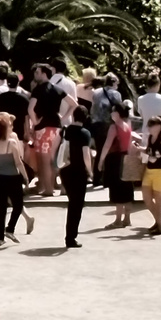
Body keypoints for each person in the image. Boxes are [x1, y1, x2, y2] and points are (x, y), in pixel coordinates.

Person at [0, 112, 33, 244]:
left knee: (1, 208)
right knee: (18, 205)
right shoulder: (11, 143)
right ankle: (10, 228)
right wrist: (26, 177)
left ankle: (0, 238)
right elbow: (18, 162)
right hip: (12, 177)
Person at [29, 64, 67, 198]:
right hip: (56, 126)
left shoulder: (38, 90)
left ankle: (48, 189)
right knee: (53, 159)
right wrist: (64, 118)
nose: (35, 75)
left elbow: (30, 108)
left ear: (44, 73)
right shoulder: (57, 90)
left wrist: (35, 122)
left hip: (43, 127)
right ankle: (59, 186)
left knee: (44, 161)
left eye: (37, 72)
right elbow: (74, 104)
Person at [60, 106, 95, 248]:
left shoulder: (65, 131)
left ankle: (70, 236)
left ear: (73, 116)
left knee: (72, 202)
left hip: (65, 170)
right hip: (78, 172)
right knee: (76, 205)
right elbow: (86, 154)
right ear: (85, 118)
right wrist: (90, 171)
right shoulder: (85, 133)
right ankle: (70, 237)